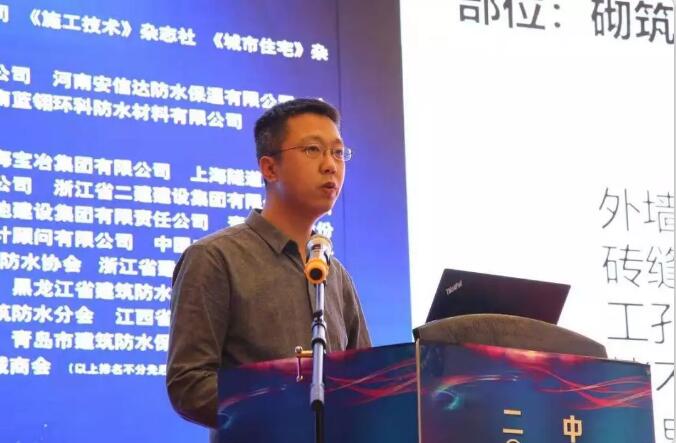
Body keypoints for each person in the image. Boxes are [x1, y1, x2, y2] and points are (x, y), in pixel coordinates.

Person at [166, 98, 372, 431]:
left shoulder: (336, 275)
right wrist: (285, 401)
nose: (330, 165)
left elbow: (366, 380)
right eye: (312, 150)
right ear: (269, 168)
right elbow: (189, 384)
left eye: (337, 152)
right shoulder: (215, 258)